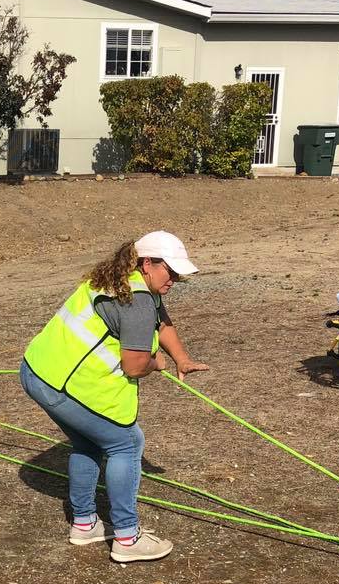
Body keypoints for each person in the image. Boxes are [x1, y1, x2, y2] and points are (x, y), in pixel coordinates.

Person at [20, 231, 209, 564]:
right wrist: (158, 362)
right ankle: (127, 538)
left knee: (88, 443)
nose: (175, 279)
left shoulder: (120, 278)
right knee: (127, 443)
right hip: (62, 385)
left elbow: (161, 320)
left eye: (179, 273)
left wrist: (182, 358)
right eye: (171, 270)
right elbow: (135, 366)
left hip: (38, 371)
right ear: (147, 263)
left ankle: (85, 524)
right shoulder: (135, 302)